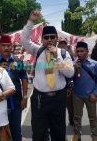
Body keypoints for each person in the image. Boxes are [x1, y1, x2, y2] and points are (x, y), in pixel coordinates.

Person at [21, 10, 74, 141]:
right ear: (42, 39)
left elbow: (70, 73)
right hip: (40, 99)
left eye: (52, 37)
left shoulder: (63, 54)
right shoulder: (37, 50)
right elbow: (24, 40)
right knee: (39, 133)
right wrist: (31, 21)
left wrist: (57, 58)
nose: (49, 40)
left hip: (58, 99)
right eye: (46, 37)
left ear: (57, 38)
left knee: (59, 132)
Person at [0, 35, 28, 141]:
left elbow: (24, 80)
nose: (6, 48)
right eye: (3, 45)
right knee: (1, 133)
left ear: (11, 47)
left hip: (16, 103)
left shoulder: (18, 62)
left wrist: (25, 98)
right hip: (0, 103)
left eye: (8, 45)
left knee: (17, 132)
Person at [71, 42, 97, 141]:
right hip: (77, 94)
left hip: (91, 95)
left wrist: (95, 94)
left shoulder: (94, 64)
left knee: (93, 117)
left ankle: (95, 135)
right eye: (77, 51)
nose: (79, 53)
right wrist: (74, 69)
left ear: (87, 51)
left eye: (82, 51)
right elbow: (69, 78)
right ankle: (77, 134)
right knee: (77, 117)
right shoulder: (74, 64)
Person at [58, 40, 74, 125]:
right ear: (58, 45)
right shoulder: (52, 55)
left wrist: (69, 86)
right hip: (56, 87)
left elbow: (70, 72)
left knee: (70, 105)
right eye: (61, 43)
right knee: (59, 109)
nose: (63, 45)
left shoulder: (68, 55)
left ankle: (72, 120)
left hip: (67, 85)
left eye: (65, 44)